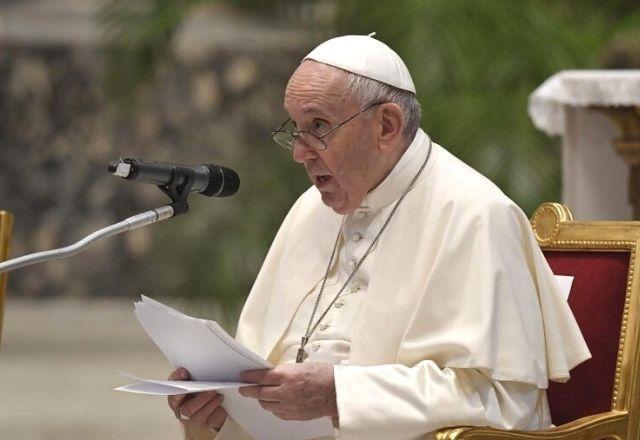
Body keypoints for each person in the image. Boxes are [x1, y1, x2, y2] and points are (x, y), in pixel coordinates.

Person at [167, 34, 590, 440]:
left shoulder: (477, 214)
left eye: (318, 126)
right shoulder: (309, 209)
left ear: (387, 125)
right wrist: (218, 409)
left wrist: (339, 396)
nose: (299, 152)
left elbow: (503, 407)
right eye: (295, 129)